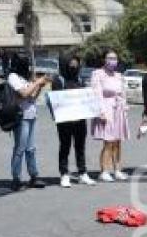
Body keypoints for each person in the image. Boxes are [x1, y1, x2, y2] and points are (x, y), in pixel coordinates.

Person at [51, 55, 95, 188]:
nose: (74, 68)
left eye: (76, 65)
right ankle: (64, 174)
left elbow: (85, 98)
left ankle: (82, 173)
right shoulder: (59, 80)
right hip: (65, 121)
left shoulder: (80, 79)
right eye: (71, 65)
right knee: (65, 146)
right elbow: (56, 101)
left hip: (80, 120)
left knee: (80, 147)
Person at [7, 53, 48, 191]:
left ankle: (34, 176)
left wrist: (40, 86)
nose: (27, 65)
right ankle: (16, 178)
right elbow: (23, 93)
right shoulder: (13, 77)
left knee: (31, 149)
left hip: (31, 116)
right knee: (20, 148)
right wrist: (36, 82)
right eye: (24, 62)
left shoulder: (25, 77)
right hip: (20, 117)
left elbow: (32, 97)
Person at [91, 50, 130, 182]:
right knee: (108, 141)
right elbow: (96, 94)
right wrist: (100, 111)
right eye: (110, 58)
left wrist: (124, 106)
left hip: (118, 109)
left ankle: (117, 169)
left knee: (118, 141)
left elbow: (123, 93)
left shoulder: (119, 75)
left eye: (115, 58)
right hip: (106, 109)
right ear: (104, 59)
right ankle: (104, 170)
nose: (113, 60)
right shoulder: (98, 74)